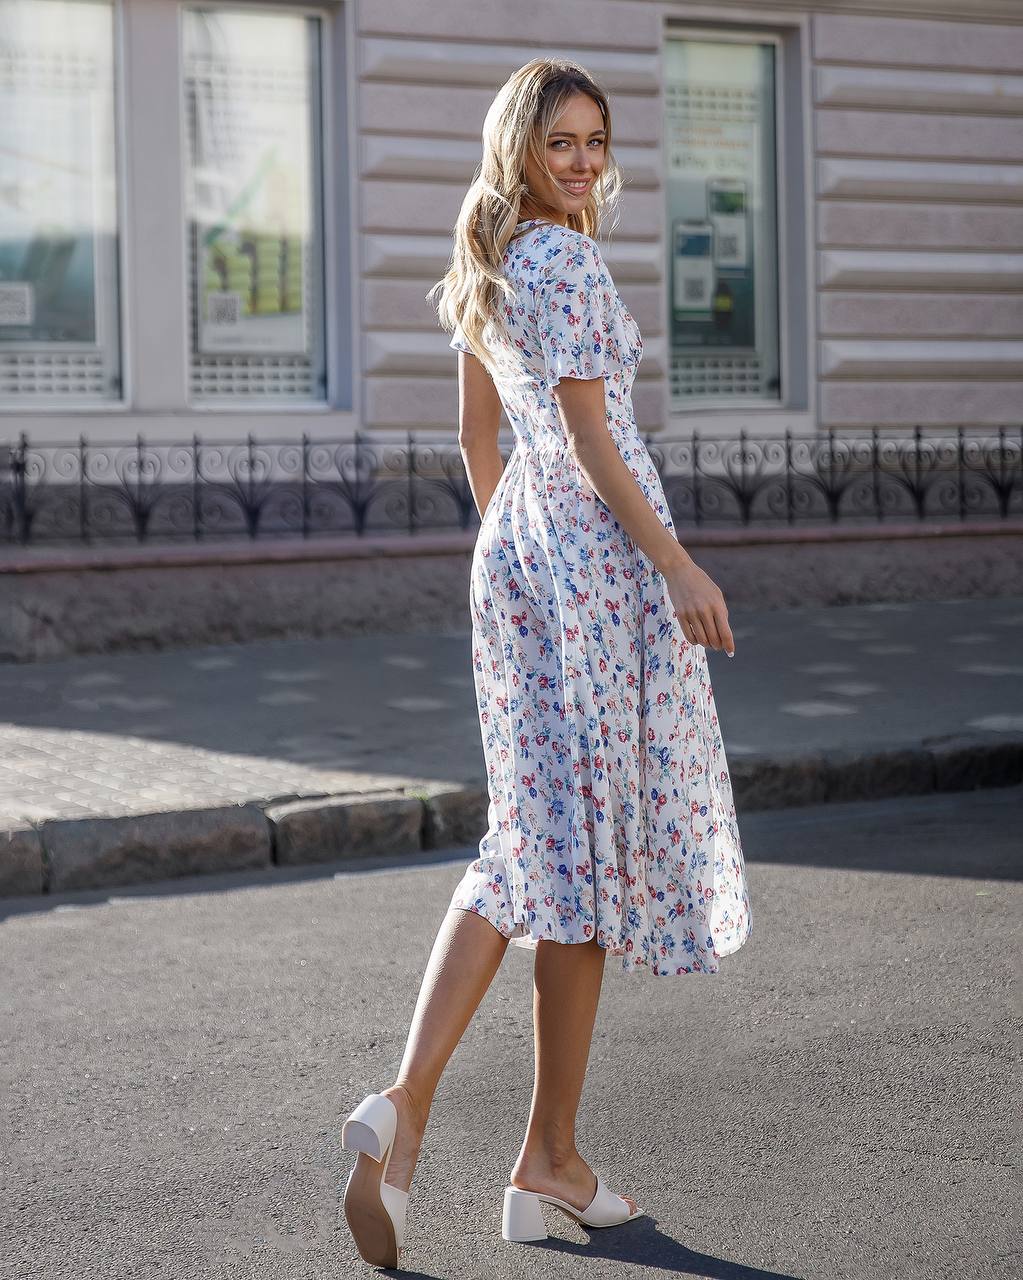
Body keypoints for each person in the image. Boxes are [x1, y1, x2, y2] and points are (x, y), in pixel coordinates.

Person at [339, 56, 753, 1270]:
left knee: (534, 844)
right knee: (579, 856)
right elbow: (585, 431)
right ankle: (530, 1150)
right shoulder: (563, 260)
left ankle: (449, 1121)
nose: (581, 161)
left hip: (516, 555)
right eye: (559, 141)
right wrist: (670, 564)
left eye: (594, 141)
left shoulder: (491, 256)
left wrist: (515, 555)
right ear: (520, 146)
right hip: (591, 560)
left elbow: (482, 438)